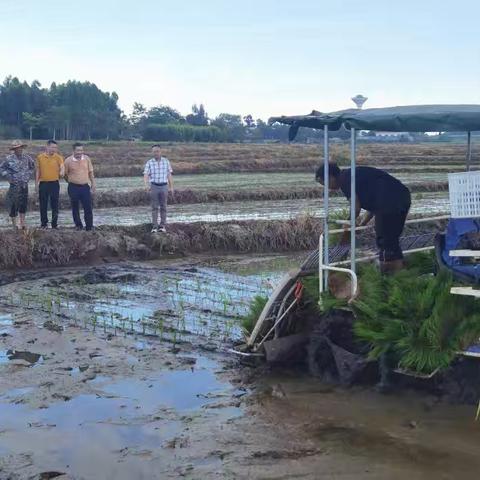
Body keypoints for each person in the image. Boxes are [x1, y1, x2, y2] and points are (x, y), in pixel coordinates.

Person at [316, 163, 411, 272]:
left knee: (385, 242)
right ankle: (400, 276)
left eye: (325, 184)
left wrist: (347, 222)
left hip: (390, 204)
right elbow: (372, 206)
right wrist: (362, 224)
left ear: (330, 177)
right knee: (391, 241)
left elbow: (356, 207)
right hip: (402, 197)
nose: (328, 188)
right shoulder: (352, 175)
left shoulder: (346, 180)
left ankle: (390, 276)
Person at [0, 140, 35, 230]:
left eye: (20, 147)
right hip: (14, 186)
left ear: (22, 148)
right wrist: (8, 177)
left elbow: (32, 167)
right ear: (14, 149)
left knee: (23, 204)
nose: (18, 149)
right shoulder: (9, 159)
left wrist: (27, 176)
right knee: (13, 205)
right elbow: (2, 168)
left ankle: (22, 223)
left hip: (24, 185)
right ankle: (14, 225)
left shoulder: (27, 158)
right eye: (16, 148)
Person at [64, 142, 96, 231]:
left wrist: (93, 184)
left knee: (88, 207)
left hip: (85, 187)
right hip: (73, 187)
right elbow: (65, 175)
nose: (79, 152)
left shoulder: (87, 159)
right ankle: (78, 225)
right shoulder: (68, 161)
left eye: (81, 150)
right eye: (78, 150)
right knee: (75, 207)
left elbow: (91, 172)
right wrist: (71, 181)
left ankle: (89, 226)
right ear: (73, 151)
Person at [143, 145, 174, 233]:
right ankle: (154, 227)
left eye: (157, 151)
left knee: (163, 206)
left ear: (160, 152)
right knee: (154, 207)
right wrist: (146, 185)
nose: (155, 153)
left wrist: (171, 187)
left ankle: (162, 226)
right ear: (152, 152)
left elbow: (169, 175)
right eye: (154, 152)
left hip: (164, 186)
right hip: (154, 186)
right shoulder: (149, 162)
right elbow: (145, 175)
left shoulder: (166, 161)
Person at [36, 139, 64, 229]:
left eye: (55, 148)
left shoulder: (58, 157)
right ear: (47, 146)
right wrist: (36, 183)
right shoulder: (40, 157)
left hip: (54, 183)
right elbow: (38, 171)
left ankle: (54, 224)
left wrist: (62, 172)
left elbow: (62, 166)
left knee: (55, 204)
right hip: (43, 183)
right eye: (52, 147)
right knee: (43, 204)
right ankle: (44, 224)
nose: (54, 149)